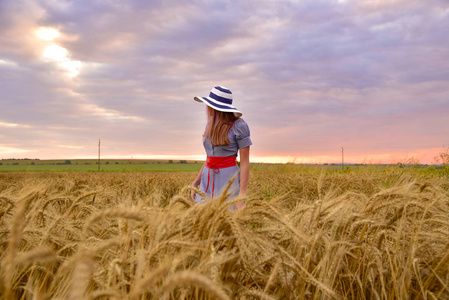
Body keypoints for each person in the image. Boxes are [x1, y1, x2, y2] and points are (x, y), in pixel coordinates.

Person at [190, 86, 252, 211]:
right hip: (206, 180)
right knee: (202, 219)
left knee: (227, 219)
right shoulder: (210, 125)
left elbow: (245, 163)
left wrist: (241, 196)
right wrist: (195, 182)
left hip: (227, 179)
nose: (207, 108)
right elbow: (210, 158)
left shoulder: (239, 126)